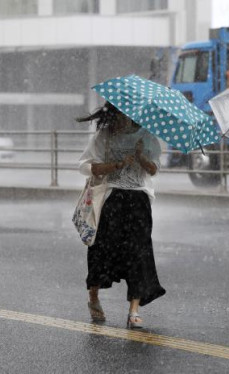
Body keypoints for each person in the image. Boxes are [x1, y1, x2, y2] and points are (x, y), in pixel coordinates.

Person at [76, 102, 165, 329]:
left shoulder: (147, 135)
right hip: (111, 197)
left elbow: (153, 169)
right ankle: (93, 296)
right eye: (120, 114)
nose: (124, 118)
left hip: (139, 200)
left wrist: (139, 157)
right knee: (101, 249)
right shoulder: (104, 136)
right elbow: (89, 167)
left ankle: (133, 309)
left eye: (128, 114)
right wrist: (116, 164)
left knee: (139, 252)